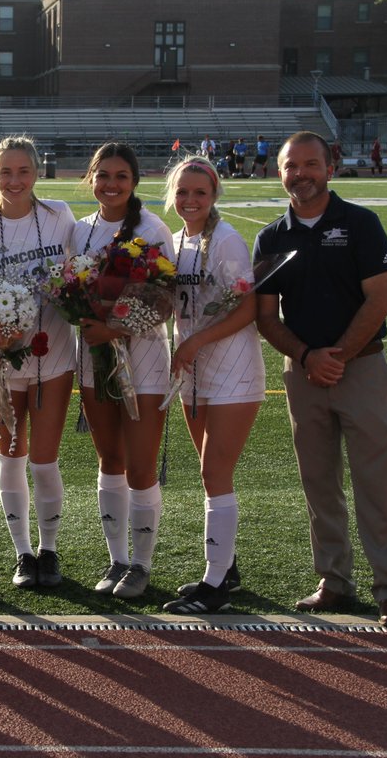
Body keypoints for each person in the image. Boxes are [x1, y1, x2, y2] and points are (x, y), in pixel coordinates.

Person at [253, 131, 387, 630]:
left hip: (359, 368)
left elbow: (378, 300)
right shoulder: (271, 236)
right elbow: (265, 316)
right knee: (319, 483)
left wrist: (336, 356)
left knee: (376, 481)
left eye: (310, 163)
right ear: (279, 173)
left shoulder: (361, 223)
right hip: (303, 374)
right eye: (290, 165)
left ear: (329, 168)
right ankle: (334, 580)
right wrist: (306, 357)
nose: (301, 173)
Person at [160, 157, 265, 614]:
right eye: (182, 192)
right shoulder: (180, 240)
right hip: (195, 369)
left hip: (232, 370)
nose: (190, 200)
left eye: (199, 192)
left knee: (213, 473)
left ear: (215, 194)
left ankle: (215, 582)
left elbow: (248, 309)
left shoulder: (226, 240)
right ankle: (228, 566)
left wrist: (197, 340)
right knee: (210, 474)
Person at [0, 135, 77, 589]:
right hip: (7, 364)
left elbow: (79, 279)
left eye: (24, 171)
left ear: (37, 172)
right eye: (5, 173)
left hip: (55, 356)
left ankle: (49, 550)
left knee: (44, 460)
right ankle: (22, 553)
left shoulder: (60, 217)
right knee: (11, 456)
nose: (15, 181)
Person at [73, 143, 175, 601]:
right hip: (94, 358)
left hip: (145, 360)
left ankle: (142, 564)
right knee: (109, 460)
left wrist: (115, 325)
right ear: (91, 179)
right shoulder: (79, 231)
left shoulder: (153, 229)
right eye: (103, 175)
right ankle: (115, 558)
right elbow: (68, 289)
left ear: (134, 183)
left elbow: (165, 301)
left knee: (140, 465)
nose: (110, 184)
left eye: (120, 177)